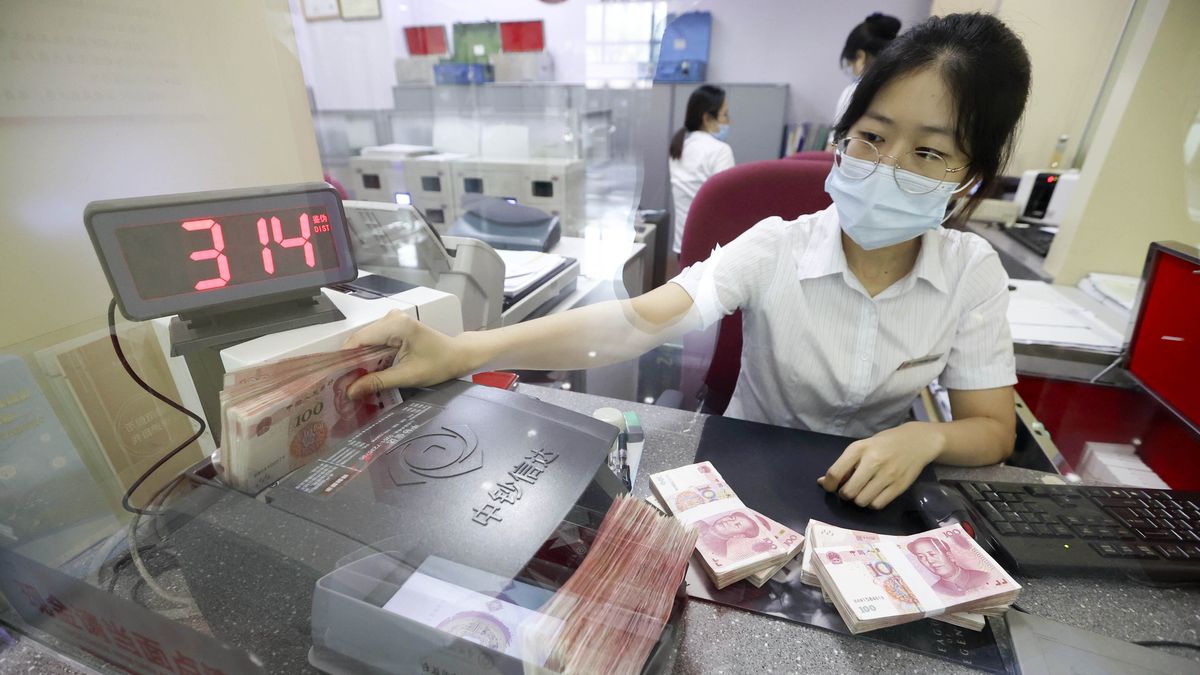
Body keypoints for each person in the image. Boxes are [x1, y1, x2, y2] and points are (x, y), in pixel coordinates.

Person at [343, 12, 1032, 510]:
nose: (887, 166)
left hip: (877, 492)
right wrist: (462, 348)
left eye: (929, 152)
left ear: (971, 176)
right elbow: (634, 323)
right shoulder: (776, 245)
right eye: (872, 137)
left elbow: (992, 428)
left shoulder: (971, 271)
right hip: (750, 475)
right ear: (843, 136)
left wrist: (926, 440)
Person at [669, 85, 735, 257]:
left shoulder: (678, 148)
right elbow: (726, 203)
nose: (728, 122)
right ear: (707, 119)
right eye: (725, 115)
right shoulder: (720, 151)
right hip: (709, 247)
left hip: (683, 244)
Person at [833, 13, 902, 130]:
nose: (851, 69)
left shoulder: (853, 93)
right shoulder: (903, 89)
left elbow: (838, 138)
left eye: (850, 64)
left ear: (861, 58)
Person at [907, 537, 990, 596]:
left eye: (932, 554)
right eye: (921, 557)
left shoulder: (984, 577)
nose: (929, 560)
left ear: (949, 556)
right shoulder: (934, 591)